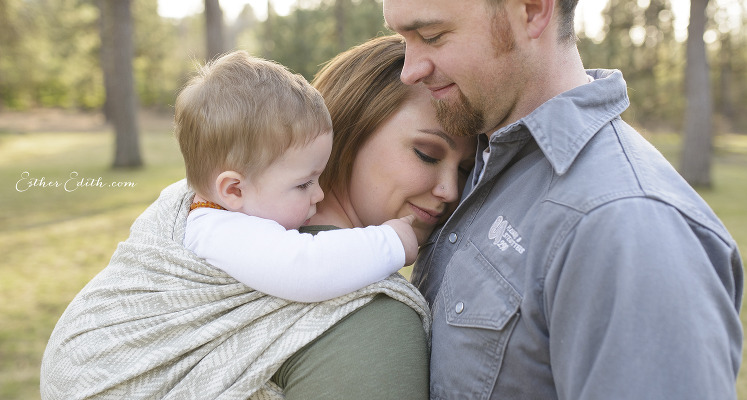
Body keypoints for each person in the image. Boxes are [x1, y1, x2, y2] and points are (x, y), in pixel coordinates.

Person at [357, 0, 744, 399]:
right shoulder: (479, 164)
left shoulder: (626, 226)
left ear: (531, 8)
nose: (411, 69)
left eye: (431, 36)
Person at [40, 35, 475, 400]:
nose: (450, 191)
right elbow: (303, 266)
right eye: (426, 153)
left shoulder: (211, 201)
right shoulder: (369, 322)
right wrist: (391, 243)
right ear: (353, 123)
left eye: (465, 170)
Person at [175, 51, 418, 302]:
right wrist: (391, 241)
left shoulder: (223, 215)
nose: (319, 194)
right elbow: (306, 270)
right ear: (234, 190)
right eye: (303, 184)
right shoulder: (220, 231)